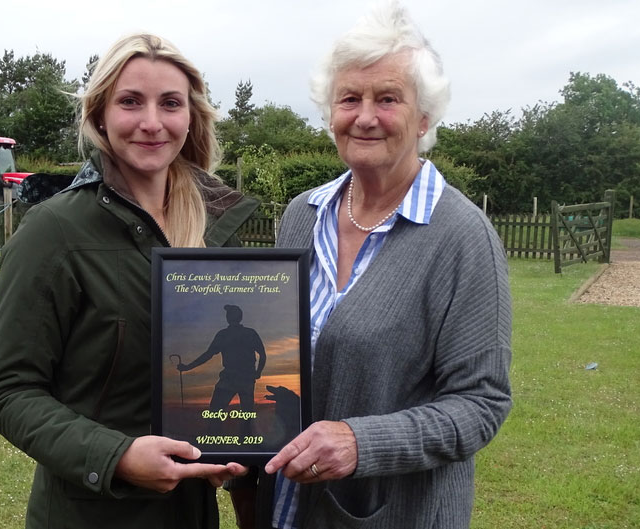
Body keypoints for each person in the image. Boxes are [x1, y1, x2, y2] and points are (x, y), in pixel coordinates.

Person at [249, 3, 513, 528]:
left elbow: (481, 403)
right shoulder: (302, 216)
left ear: (423, 118)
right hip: (285, 507)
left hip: (393, 513)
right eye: (350, 98)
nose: (365, 116)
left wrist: (360, 442)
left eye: (387, 98)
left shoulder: (462, 237)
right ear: (330, 115)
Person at [0, 33, 258, 528]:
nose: (152, 123)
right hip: (91, 515)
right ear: (100, 114)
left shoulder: (217, 229)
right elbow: (8, 391)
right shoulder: (54, 231)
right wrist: (117, 456)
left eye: (170, 103)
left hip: (192, 515)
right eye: (131, 102)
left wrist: (243, 444)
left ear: (190, 116)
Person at [178, 304, 267, 413]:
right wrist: (258, 372)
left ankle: (215, 429)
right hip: (245, 379)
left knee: (215, 412)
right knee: (246, 415)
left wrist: (188, 367)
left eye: (229, 314)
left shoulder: (224, 335)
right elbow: (262, 355)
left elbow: (208, 355)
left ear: (228, 318)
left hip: (230, 378)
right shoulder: (249, 333)